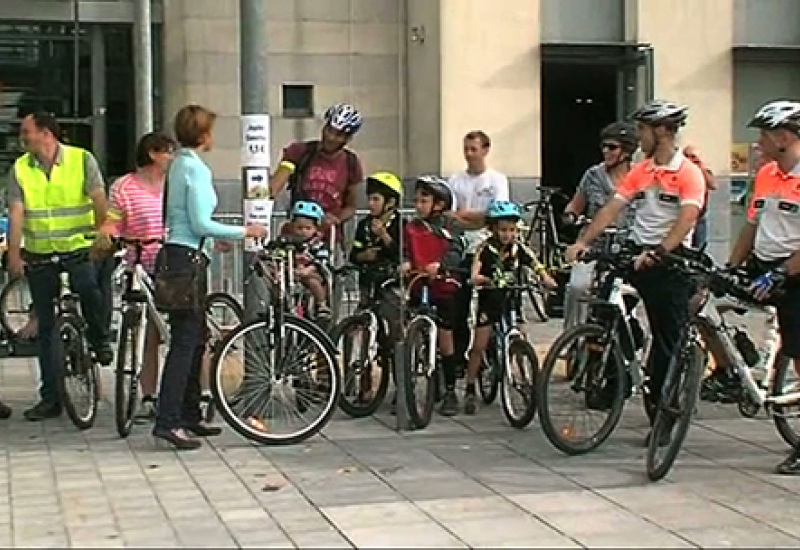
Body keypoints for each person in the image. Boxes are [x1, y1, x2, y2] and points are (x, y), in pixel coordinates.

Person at [566, 99, 705, 447]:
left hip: (669, 260)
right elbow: (613, 207)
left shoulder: (688, 172)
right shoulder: (641, 171)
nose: (639, 136)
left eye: (643, 129)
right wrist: (583, 241)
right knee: (606, 306)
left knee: (666, 340)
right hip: (636, 251)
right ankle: (614, 370)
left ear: (662, 131)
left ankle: (664, 413)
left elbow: (686, 219)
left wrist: (660, 252)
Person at [154, 104, 267, 450]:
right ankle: (170, 419)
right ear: (204, 135)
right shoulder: (195, 170)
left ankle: (188, 413)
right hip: (188, 260)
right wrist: (244, 230)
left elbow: (182, 217)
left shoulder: (177, 166)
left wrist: (211, 238)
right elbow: (201, 222)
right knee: (186, 341)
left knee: (194, 336)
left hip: (179, 253)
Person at [6, 111, 113, 421]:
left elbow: (98, 199)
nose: (22, 137)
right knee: (47, 327)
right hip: (40, 253)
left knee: (90, 289)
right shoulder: (21, 168)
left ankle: (99, 336)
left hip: (79, 247)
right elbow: (16, 212)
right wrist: (15, 253)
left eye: (27, 131)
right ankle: (50, 397)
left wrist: (103, 233)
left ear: (47, 133)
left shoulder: (82, 160)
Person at [719, 100, 800, 474]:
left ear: (785, 137)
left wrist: (783, 273)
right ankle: (732, 374)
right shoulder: (767, 173)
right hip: (765, 266)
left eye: (765, 134)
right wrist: (732, 267)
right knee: (709, 300)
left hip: (794, 271)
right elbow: (751, 225)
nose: (759, 142)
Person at [94, 132, 176, 419]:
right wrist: (106, 234)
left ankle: (198, 392)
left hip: (173, 263)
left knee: (185, 330)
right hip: (139, 263)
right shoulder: (124, 187)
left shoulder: (175, 184)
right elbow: (114, 220)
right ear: (153, 154)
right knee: (146, 332)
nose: (172, 157)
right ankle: (148, 396)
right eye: (168, 151)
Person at [465, 201, 557, 415]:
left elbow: (536, 264)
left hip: (513, 299)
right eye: (503, 230)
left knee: (520, 337)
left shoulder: (519, 249)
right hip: (491, 300)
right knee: (479, 345)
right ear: (493, 229)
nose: (508, 235)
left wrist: (545, 278)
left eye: (512, 230)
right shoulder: (485, 249)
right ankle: (470, 387)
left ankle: (524, 377)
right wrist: (479, 278)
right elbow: (475, 271)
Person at [561, 122, 638, 329]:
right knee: (578, 287)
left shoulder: (640, 178)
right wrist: (570, 217)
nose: (606, 151)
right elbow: (575, 205)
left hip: (626, 247)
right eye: (604, 146)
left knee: (635, 295)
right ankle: (571, 340)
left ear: (627, 151)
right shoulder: (593, 175)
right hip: (593, 244)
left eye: (612, 147)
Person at [403, 175, 465, 416]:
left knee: (445, 337)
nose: (418, 205)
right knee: (411, 327)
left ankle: (450, 390)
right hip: (419, 285)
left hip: (443, 285)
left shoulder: (450, 227)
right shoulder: (412, 227)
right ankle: (410, 384)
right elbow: (407, 250)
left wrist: (441, 264)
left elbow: (457, 249)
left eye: (424, 200)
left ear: (439, 204)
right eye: (417, 200)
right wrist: (406, 262)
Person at [448, 131, 510, 373]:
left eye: (474, 149)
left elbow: (496, 216)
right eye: (466, 149)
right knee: (459, 304)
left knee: (490, 302)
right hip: (463, 247)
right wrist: (476, 218)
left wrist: (472, 217)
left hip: (488, 247)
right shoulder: (456, 180)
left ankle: (489, 351)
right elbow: (451, 216)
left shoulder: (496, 180)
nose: (469, 154)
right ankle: (460, 357)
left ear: (485, 150)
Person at [269, 103, 365, 243]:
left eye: (338, 134)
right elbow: (280, 178)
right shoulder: (300, 151)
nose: (331, 137)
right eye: (329, 130)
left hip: (328, 237)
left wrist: (336, 219)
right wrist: (267, 194)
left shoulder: (351, 162)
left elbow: (351, 206)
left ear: (347, 139)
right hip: (297, 232)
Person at [350, 171, 405, 307]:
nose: (370, 204)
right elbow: (353, 254)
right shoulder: (364, 224)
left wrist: (384, 236)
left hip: (391, 285)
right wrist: (363, 256)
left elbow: (401, 254)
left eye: (376, 199)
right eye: (369, 199)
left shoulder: (401, 225)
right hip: (367, 282)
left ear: (390, 202)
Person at [280, 200, 332, 322]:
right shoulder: (288, 242)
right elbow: (280, 254)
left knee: (313, 282)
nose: (303, 231)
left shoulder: (317, 244)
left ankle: (322, 305)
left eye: (308, 228)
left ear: (315, 229)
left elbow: (322, 259)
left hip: (312, 272)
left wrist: (308, 269)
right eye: (299, 228)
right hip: (291, 273)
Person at [683, 144, 717, 250]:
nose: (689, 159)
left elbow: (713, 185)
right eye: (686, 156)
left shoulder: (703, 171)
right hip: (685, 217)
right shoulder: (681, 171)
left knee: (699, 247)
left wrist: (700, 166)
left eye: (692, 156)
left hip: (700, 218)